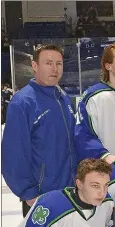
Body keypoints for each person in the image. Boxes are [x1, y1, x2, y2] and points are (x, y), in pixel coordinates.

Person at [1, 44, 77, 217]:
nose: (55, 68)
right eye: (48, 63)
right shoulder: (22, 103)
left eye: (59, 63)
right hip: (40, 196)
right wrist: (28, 193)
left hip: (69, 191)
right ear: (34, 66)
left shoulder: (63, 97)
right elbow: (13, 153)